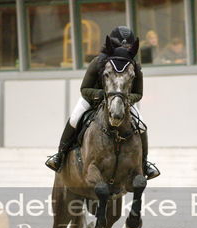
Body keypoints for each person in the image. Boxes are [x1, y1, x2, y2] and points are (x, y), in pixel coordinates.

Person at [46, 26, 159, 179]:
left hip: (121, 102)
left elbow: (138, 93)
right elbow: (84, 88)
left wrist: (124, 99)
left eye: (127, 46)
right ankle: (60, 155)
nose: (124, 49)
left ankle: (144, 163)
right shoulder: (98, 62)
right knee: (74, 118)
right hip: (92, 99)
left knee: (141, 125)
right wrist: (103, 95)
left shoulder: (134, 66)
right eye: (121, 46)